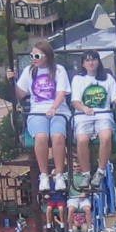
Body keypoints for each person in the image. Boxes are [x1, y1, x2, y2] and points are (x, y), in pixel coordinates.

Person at [14, 40, 70, 192]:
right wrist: (12, 81)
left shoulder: (59, 70)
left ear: (46, 56)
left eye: (37, 55)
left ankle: (59, 175)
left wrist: (53, 107)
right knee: (41, 137)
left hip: (58, 111)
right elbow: (20, 94)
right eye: (32, 55)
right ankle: (44, 175)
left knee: (58, 136)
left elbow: (61, 93)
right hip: (37, 111)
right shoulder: (29, 71)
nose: (33, 58)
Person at [70, 50, 116, 191]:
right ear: (83, 64)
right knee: (82, 140)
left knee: (106, 136)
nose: (91, 63)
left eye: (93, 60)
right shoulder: (78, 79)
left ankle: (100, 171)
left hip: (103, 114)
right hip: (84, 116)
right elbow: (75, 101)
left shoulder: (108, 78)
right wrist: (84, 109)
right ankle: (86, 173)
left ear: (98, 61)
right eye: (87, 60)